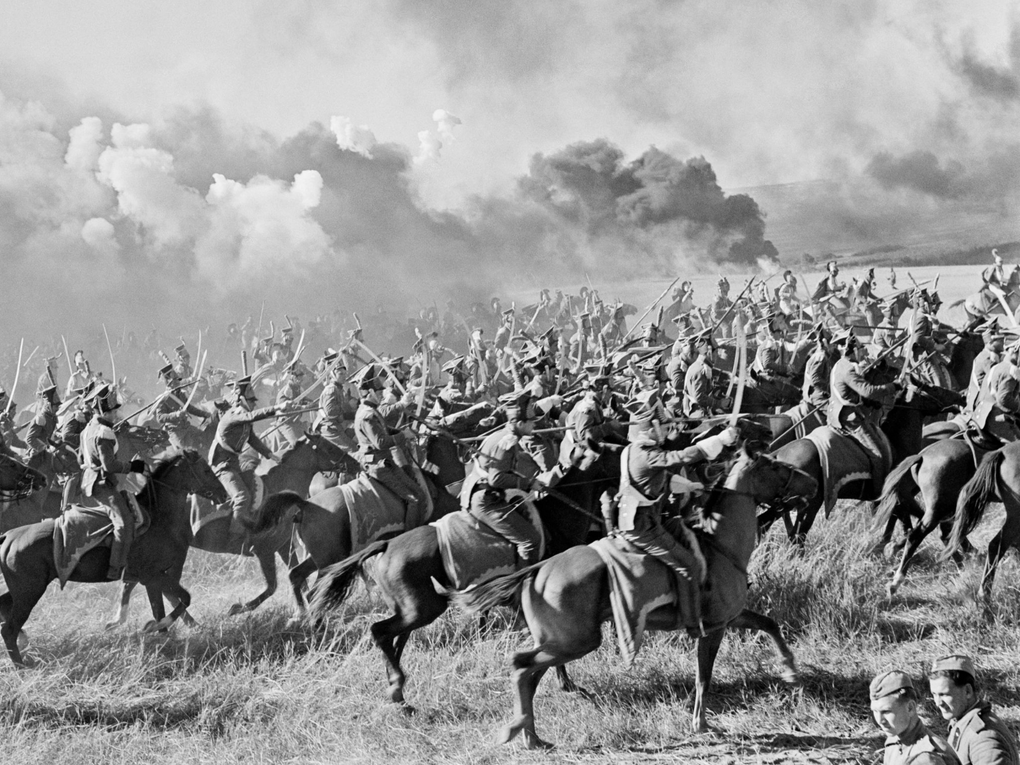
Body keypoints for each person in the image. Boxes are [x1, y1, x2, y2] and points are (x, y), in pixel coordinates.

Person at [606, 389, 739, 634]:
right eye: (663, 425)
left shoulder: (631, 450)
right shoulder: (647, 454)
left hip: (639, 517)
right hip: (643, 525)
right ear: (651, 427)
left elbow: (661, 479)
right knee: (688, 565)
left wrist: (689, 485)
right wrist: (719, 440)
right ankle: (693, 624)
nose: (667, 430)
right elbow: (679, 457)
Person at [461, 390, 573, 567]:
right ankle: (523, 586)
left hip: (489, 493)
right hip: (486, 499)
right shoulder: (508, 442)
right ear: (520, 423)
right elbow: (496, 479)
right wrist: (528, 483)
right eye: (530, 423)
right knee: (530, 541)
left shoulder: (508, 436)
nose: (533, 426)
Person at [79, 383, 146, 581]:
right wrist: (132, 467)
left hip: (93, 481)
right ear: (104, 412)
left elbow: (81, 459)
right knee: (124, 523)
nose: (116, 414)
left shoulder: (87, 430)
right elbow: (109, 465)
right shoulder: (103, 432)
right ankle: (116, 569)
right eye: (113, 411)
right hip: (102, 483)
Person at [209, 375, 295, 529]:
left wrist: (270, 455)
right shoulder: (234, 415)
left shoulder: (244, 420)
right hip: (221, 465)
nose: (254, 405)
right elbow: (251, 416)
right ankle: (236, 537)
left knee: (257, 490)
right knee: (242, 497)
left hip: (233, 464)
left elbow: (252, 439)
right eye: (251, 402)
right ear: (242, 400)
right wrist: (277, 408)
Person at [352, 363, 427, 520]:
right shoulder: (367, 415)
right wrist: (403, 436)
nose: (382, 394)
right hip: (377, 465)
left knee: (418, 490)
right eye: (379, 391)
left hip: (384, 461)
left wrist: (404, 432)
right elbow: (380, 442)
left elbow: (384, 430)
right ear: (370, 391)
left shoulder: (371, 410)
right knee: (415, 498)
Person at [827, 330, 898, 494]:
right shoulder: (848, 370)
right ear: (851, 349)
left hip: (839, 412)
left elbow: (852, 393)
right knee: (879, 456)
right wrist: (893, 386)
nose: (863, 350)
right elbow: (868, 390)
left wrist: (868, 403)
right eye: (860, 347)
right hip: (849, 418)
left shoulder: (840, 364)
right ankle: (879, 497)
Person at [929, 654, 1019, 765]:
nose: (938, 703)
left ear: (967, 691)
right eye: (934, 694)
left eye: (944, 694)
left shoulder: (983, 737)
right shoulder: (962, 721)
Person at [871, 669, 960, 765]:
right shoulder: (894, 741)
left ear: (910, 708)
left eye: (886, 711)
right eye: (875, 711)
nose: (880, 720)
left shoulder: (927, 757)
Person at [683, 330, 729, 418]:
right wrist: (719, 403)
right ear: (709, 352)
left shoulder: (699, 366)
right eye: (716, 352)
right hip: (699, 414)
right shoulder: (701, 370)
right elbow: (699, 397)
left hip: (703, 410)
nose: (717, 356)